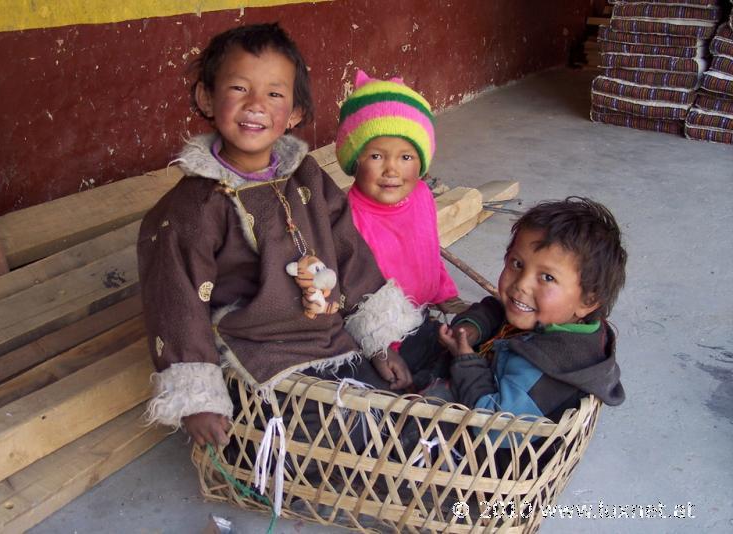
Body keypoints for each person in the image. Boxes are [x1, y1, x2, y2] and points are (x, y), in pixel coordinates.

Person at [137, 23, 423, 450]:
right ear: (206, 99)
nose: (256, 105)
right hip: (256, 350)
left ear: (294, 113)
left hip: (327, 334)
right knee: (346, 433)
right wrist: (198, 401)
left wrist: (378, 342)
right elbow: (176, 300)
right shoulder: (193, 207)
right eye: (238, 88)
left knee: (404, 393)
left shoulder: (306, 175)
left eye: (274, 94)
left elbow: (348, 252)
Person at [431, 197, 627, 423]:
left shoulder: (549, 370)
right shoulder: (554, 316)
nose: (522, 284)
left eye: (547, 277)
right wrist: (473, 327)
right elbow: (495, 310)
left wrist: (465, 361)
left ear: (588, 301)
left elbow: (494, 426)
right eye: (517, 264)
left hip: (484, 449)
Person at [336, 70, 461, 391]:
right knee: (392, 383)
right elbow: (355, 293)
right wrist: (384, 348)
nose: (392, 169)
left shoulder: (420, 195)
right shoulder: (348, 217)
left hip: (420, 315)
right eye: (376, 156)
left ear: (421, 162)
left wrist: (446, 295)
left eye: (406, 157)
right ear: (355, 161)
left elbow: (429, 251)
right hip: (380, 333)